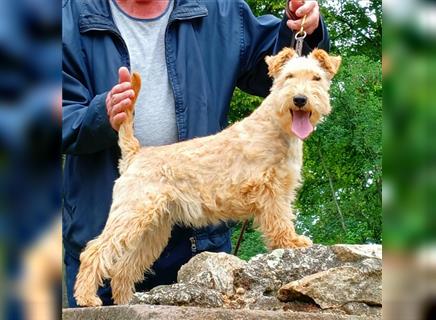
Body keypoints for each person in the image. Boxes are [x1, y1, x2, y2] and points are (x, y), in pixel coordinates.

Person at [62, 0, 330, 307]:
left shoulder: (222, 11)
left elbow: (272, 60)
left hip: (201, 247)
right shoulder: (67, 18)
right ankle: (88, 282)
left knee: (150, 236)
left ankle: (123, 283)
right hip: (130, 181)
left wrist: (303, 28)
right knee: (125, 233)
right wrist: (98, 115)